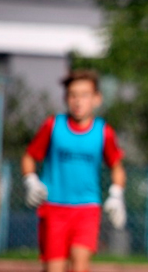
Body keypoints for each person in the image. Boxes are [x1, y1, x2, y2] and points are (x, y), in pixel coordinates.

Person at [21, 70, 127, 272]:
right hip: (54, 208)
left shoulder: (103, 131)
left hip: (87, 209)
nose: (78, 101)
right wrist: (30, 181)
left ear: (97, 98)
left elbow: (117, 167)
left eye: (84, 95)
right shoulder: (53, 126)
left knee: (80, 267)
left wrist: (116, 195)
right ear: (66, 98)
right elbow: (29, 157)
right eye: (73, 95)